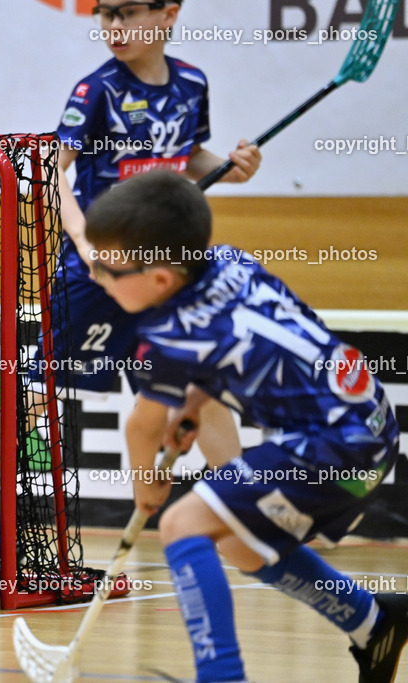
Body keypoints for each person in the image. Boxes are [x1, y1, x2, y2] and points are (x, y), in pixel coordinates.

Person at [85, 170, 406, 683]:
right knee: (238, 541)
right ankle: (371, 621)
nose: (97, 274)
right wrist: (194, 403)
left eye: (106, 268)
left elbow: (142, 429)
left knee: (179, 523)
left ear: (161, 279)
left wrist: (147, 487)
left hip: (330, 447)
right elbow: (265, 337)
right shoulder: (234, 262)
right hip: (372, 426)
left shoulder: (168, 334)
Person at [0, 0, 262, 523]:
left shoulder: (192, 84)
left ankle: (250, 509)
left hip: (163, 273)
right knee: (42, 386)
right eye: (106, 15)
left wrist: (236, 169)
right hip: (98, 274)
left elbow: (190, 155)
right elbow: (51, 170)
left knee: (200, 388)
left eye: (127, 13)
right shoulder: (97, 90)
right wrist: (83, 240)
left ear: (168, 14)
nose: (114, 27)